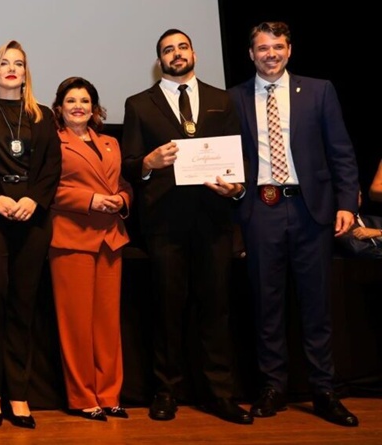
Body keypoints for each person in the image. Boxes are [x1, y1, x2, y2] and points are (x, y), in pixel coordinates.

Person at [228, 21, 360, 427]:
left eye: (278, 47)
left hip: (312, 211)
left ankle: (323, 390)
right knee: (267, 306)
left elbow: (341, 150)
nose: (271, 54)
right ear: (251, 54)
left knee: (316, 305)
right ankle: (272, 387)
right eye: (263, 48)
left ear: (290, 50)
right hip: (260, 211)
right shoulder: (232, 99)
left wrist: (346, 204)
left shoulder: (319, 90)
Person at [121, 28, 252, 425]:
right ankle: (166, 391)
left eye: (181, 47)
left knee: (216, 310)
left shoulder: (221, 99)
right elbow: (128, 163)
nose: (176, 54)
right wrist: (147, 163)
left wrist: (237, 187)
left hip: (213, 221)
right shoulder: (139, 104)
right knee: (167, 311)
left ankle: (220, 394)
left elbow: (237, 156)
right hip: (164, 224)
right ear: (158, 59)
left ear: (193, 52)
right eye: (167, 50)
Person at [0, 40, 60, 430]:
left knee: (23, 305)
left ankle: (18, 394)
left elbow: (52, 166)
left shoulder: (43, 115)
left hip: (32, 218)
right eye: (5, 62)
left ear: (26, 72)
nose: (12, 68)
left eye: (18, 63)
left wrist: (34, 200)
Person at [48, 77, 132, 421]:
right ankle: (83, 397)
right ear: (59, 108)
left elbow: (123, 183)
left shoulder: (111, 142)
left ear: (95, 108)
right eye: (71, 101)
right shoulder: (53, 142)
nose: (79, 106)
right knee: (76, 325)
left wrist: (122, 199)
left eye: (85, 100)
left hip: (110, 239)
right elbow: (47, 188)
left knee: (108, 325)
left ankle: (110, 394)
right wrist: (90, 200)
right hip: (72, 239)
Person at [335, 193, 382, 259]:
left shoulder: (377, 220)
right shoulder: (338, 225)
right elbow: (361, 250)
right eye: (352, 194)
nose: (356, 198)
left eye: (358, 194)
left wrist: (379, 232)